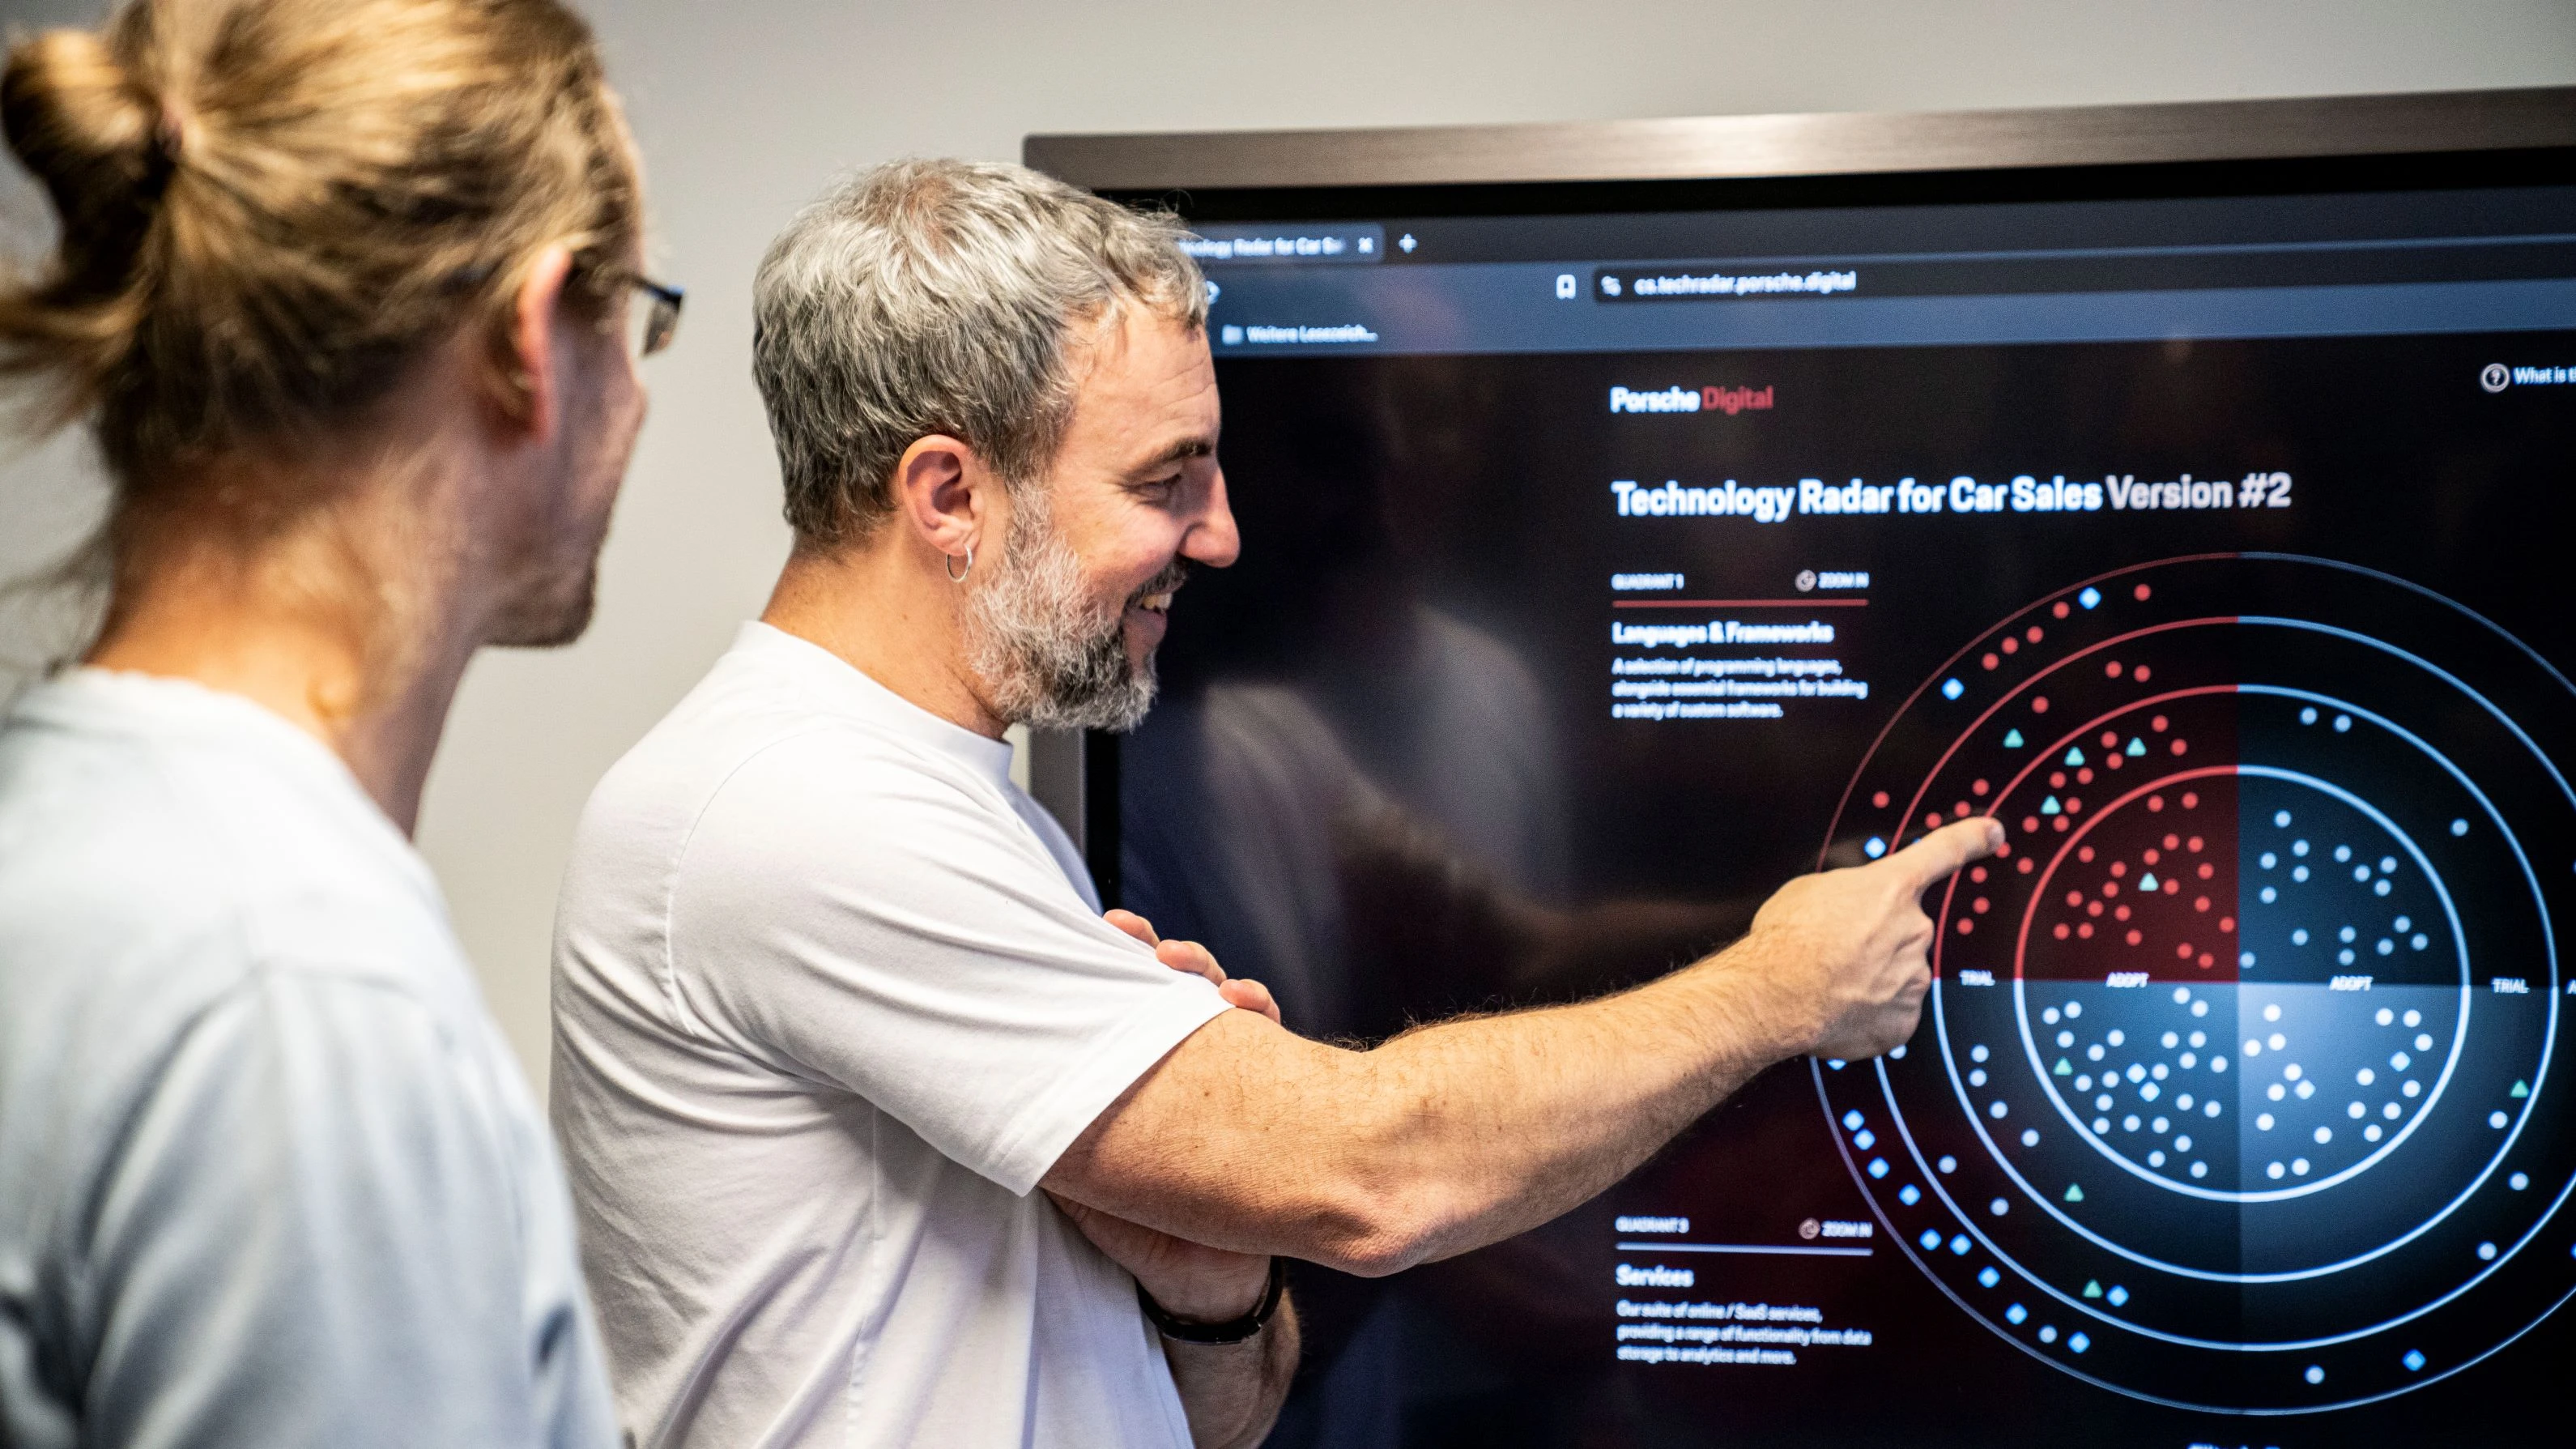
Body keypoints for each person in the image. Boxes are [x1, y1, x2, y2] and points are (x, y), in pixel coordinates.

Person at [549, 157, 1999, 1449]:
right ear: (948, 497)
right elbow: (1378, 1174)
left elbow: (1222, 1410)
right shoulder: (797, 808)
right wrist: (1776, 993)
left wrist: (1211, 1281)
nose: (1223, 534)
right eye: (1165, 479)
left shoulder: (983, 815)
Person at [0, 2, 669, 1444]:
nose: (639, 394)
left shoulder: (62, 836)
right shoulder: (298, 999)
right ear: (534, 336)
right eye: (636, 319)